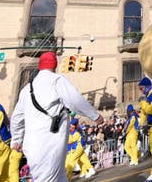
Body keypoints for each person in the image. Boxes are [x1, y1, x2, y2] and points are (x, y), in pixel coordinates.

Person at [10, 52, 103, 182]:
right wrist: (95, 116)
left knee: (60, 178)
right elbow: (75, 101)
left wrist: (17, 140)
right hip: (50, 144)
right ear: (55, 65)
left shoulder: (26, 89)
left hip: (32, 146)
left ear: (40, 66)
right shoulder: (57, 81)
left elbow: (16, 118)